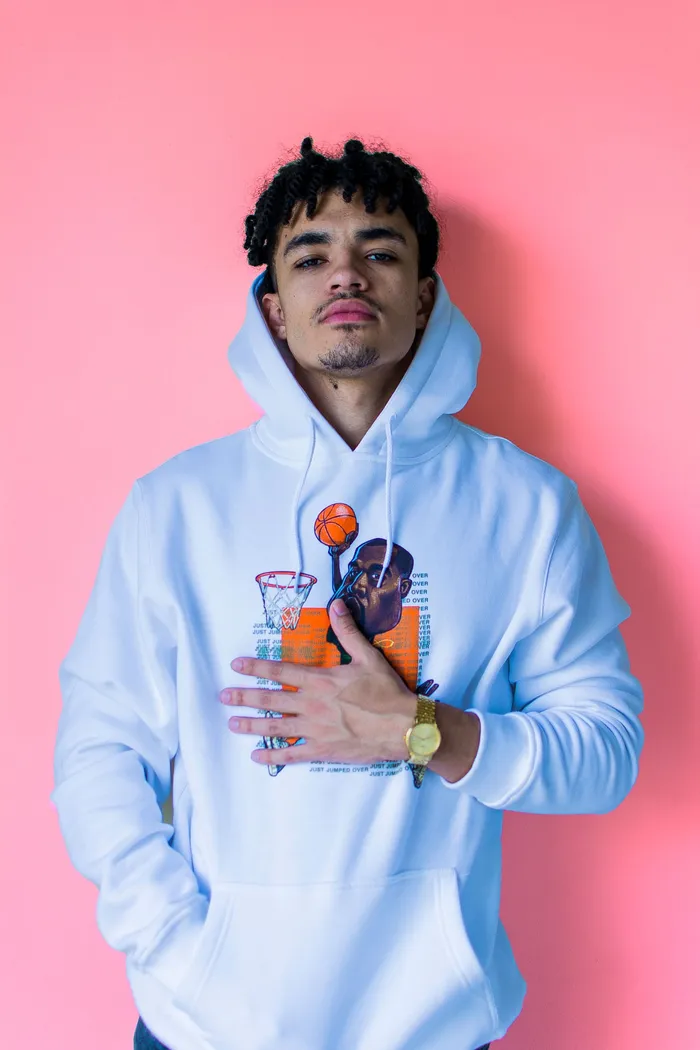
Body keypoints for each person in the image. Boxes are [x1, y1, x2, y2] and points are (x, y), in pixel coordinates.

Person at [52, 136, 644, 1050]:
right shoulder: (174, 507)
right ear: (274, 310)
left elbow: (607, 752)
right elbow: (100, 752)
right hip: (204, 1027)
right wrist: (177, 950)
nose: (346, 274)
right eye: (310, 255)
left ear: (426, 296)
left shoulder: (527, 507)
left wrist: (421, 730)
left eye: (380, 250)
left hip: (433, 1026)